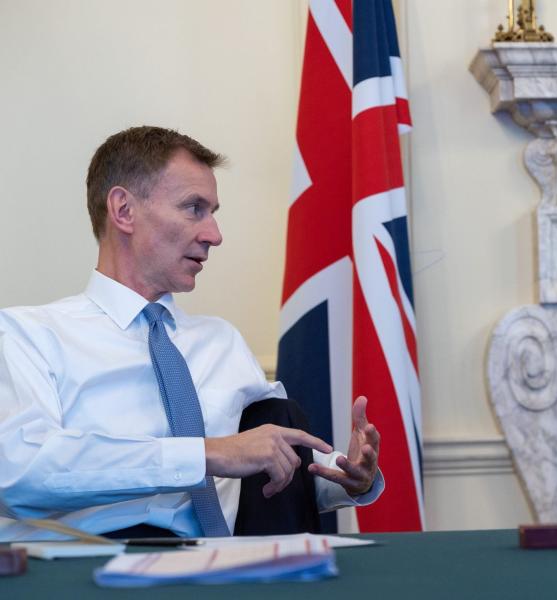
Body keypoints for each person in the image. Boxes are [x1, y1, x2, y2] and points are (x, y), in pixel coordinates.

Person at [0, 126, 383, 540]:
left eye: (213, 212)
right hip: (94, 567)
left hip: (229, 569)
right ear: (123, 210)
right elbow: (18, 470)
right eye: (193, 208)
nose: (214, 235)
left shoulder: (221, 341)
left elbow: (265, 480)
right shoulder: (28, 335)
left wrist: (347, 479)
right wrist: (205, 454)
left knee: (278, 416)